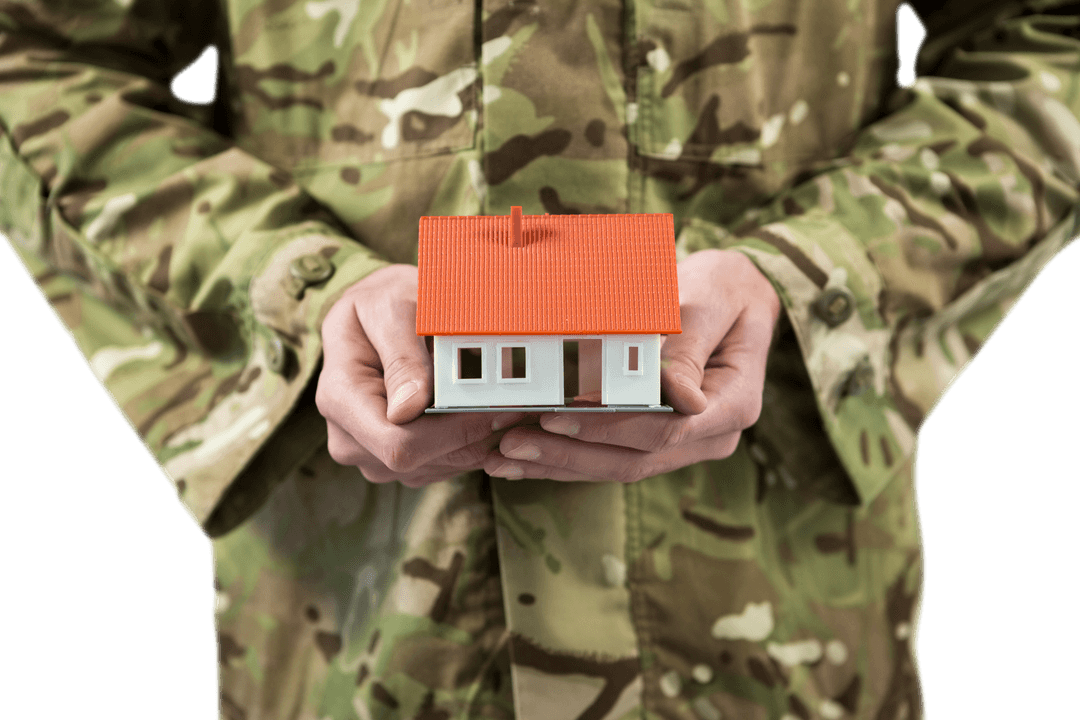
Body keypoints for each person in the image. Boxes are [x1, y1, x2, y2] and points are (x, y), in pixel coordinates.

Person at [1, 1, 1077, 718]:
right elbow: (35, 52)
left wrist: (814, 276)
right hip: (356, 638)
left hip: (783, 640)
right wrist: (288, 292)